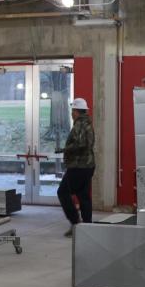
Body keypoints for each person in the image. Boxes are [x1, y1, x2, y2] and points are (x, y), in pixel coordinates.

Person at [56, 98, 95, 236]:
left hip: (78, 166)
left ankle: (75, 223)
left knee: (62, 192)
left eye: (73, 110)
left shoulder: (79, 124)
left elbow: (83, 144)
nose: (72, 113)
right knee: (83, 195)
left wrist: (65, 149)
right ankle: (87, 227)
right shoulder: (87, 123)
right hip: (88, 166)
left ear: (76, 111)